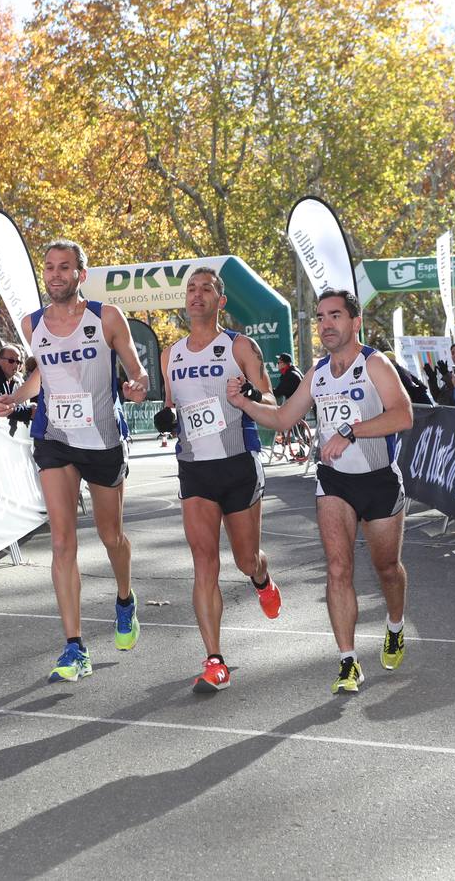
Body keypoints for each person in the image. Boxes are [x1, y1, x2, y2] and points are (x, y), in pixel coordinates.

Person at [227, 288, 413, 695]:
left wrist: (351, 431)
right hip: (335, 481)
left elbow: (403, 416)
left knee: (387, 569)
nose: (326, 324)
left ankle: (395, 625)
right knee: (338, 568)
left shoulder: (375, 364)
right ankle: (348, 661)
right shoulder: (319, 372)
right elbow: (282, 418)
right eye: (321, 317)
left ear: (354, 322)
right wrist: (243, 403)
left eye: (335, 316)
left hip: (379, 480)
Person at [0, 239, 150, 684]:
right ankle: (74, 647)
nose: (56, 275)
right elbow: (45, 371)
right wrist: (15, 397)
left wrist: (136, 385)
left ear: (81, 274)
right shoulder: (32, 324)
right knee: (63, 542)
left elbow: (136, 372)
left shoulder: (106, 318)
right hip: (54, 437)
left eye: (65, 267)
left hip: (101, 439)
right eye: (49, 268)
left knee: (111, 535)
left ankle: (124, 599)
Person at [154, 267, 282, 693]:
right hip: (195, 469)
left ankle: (262, 579)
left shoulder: (238, 345)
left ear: (220, 301)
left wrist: (246, 395)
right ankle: (214, 659)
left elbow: (270, 399)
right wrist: (168, 417)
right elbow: (173, 407)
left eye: (206, 288)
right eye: (190, 288)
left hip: (238, 464)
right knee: (204, 562)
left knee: (245, 560)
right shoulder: (170, 354)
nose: (196, 294)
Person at [272, 352, 312, 461]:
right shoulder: (293, 371)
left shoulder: (289, 375)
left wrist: (268, 391)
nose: (277, 364)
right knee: (300, 430)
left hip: (298, 405)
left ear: (285, 364)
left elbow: (280, 391)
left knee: (298, 430)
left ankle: (309, 450)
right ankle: (306, 450)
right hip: (302, 404)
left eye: (279, 362)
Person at [423, 340, 455, 406]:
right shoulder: (452, 373)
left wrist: (446, 374)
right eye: (452, 353)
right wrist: (432, 379)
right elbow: (438, 398)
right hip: (445, 413)